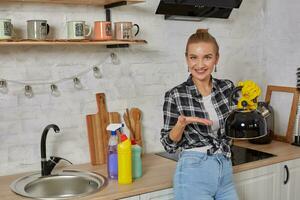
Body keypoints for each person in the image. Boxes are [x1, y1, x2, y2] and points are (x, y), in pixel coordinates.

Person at [160, 29, 239, 200]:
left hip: (224, 169)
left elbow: (238, 124)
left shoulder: (227, 88)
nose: (200, 64)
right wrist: (181, 124)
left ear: (216, 58)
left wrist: (249, 103)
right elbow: (168, 145)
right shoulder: (175, 95)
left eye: (207, 57)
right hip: (193, 172)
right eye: (193, 57)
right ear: (186, 59)